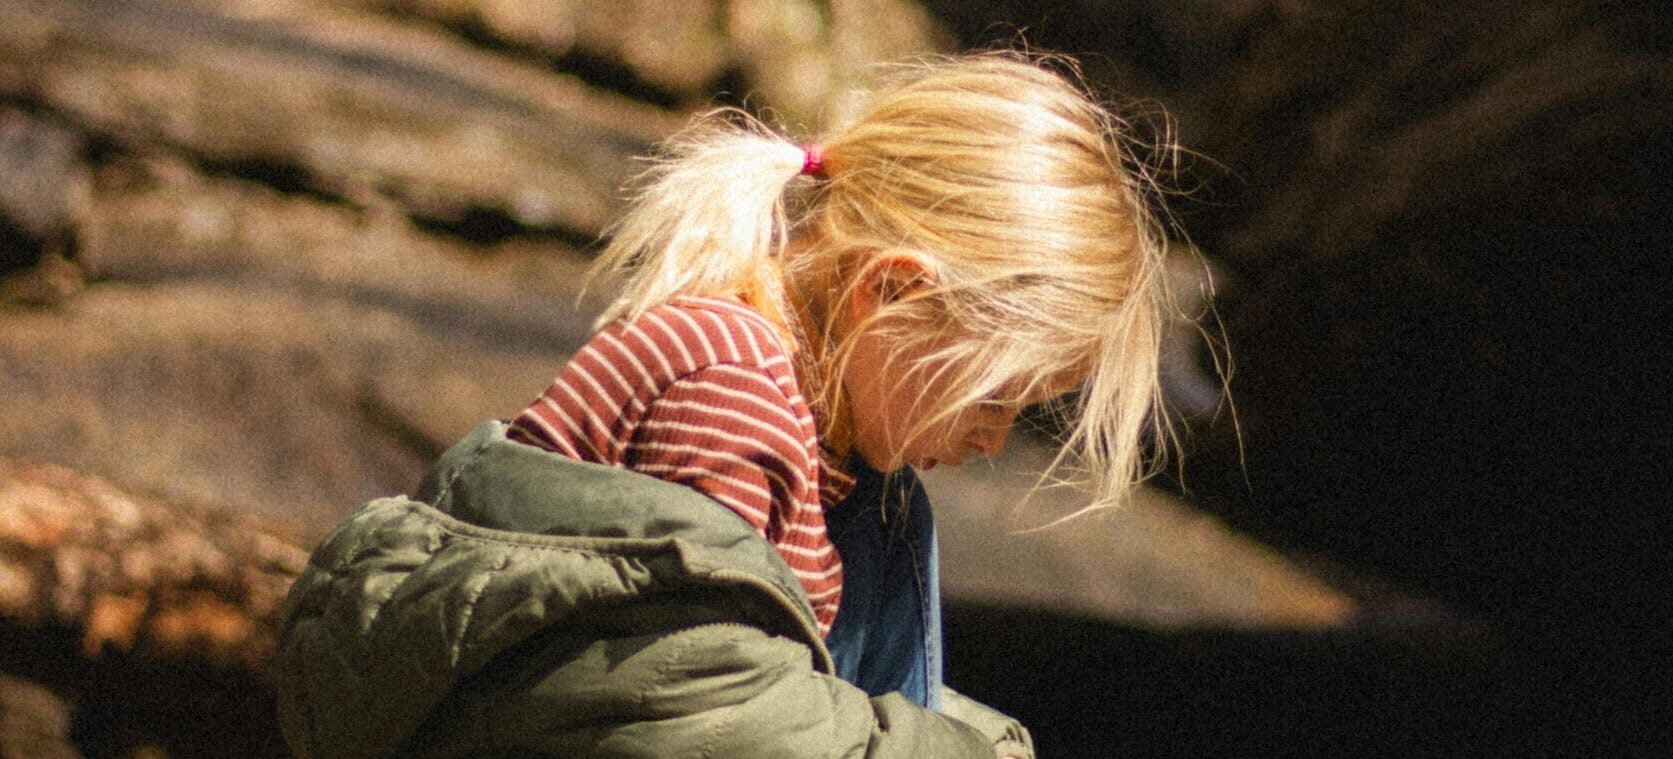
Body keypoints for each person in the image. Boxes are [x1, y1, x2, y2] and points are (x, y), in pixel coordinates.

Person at [274, 51, 1177, 759]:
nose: (994, 439)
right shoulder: (729, 393)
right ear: (893, 290)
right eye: (997, 395)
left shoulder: (839, 446)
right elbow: (702, 708)